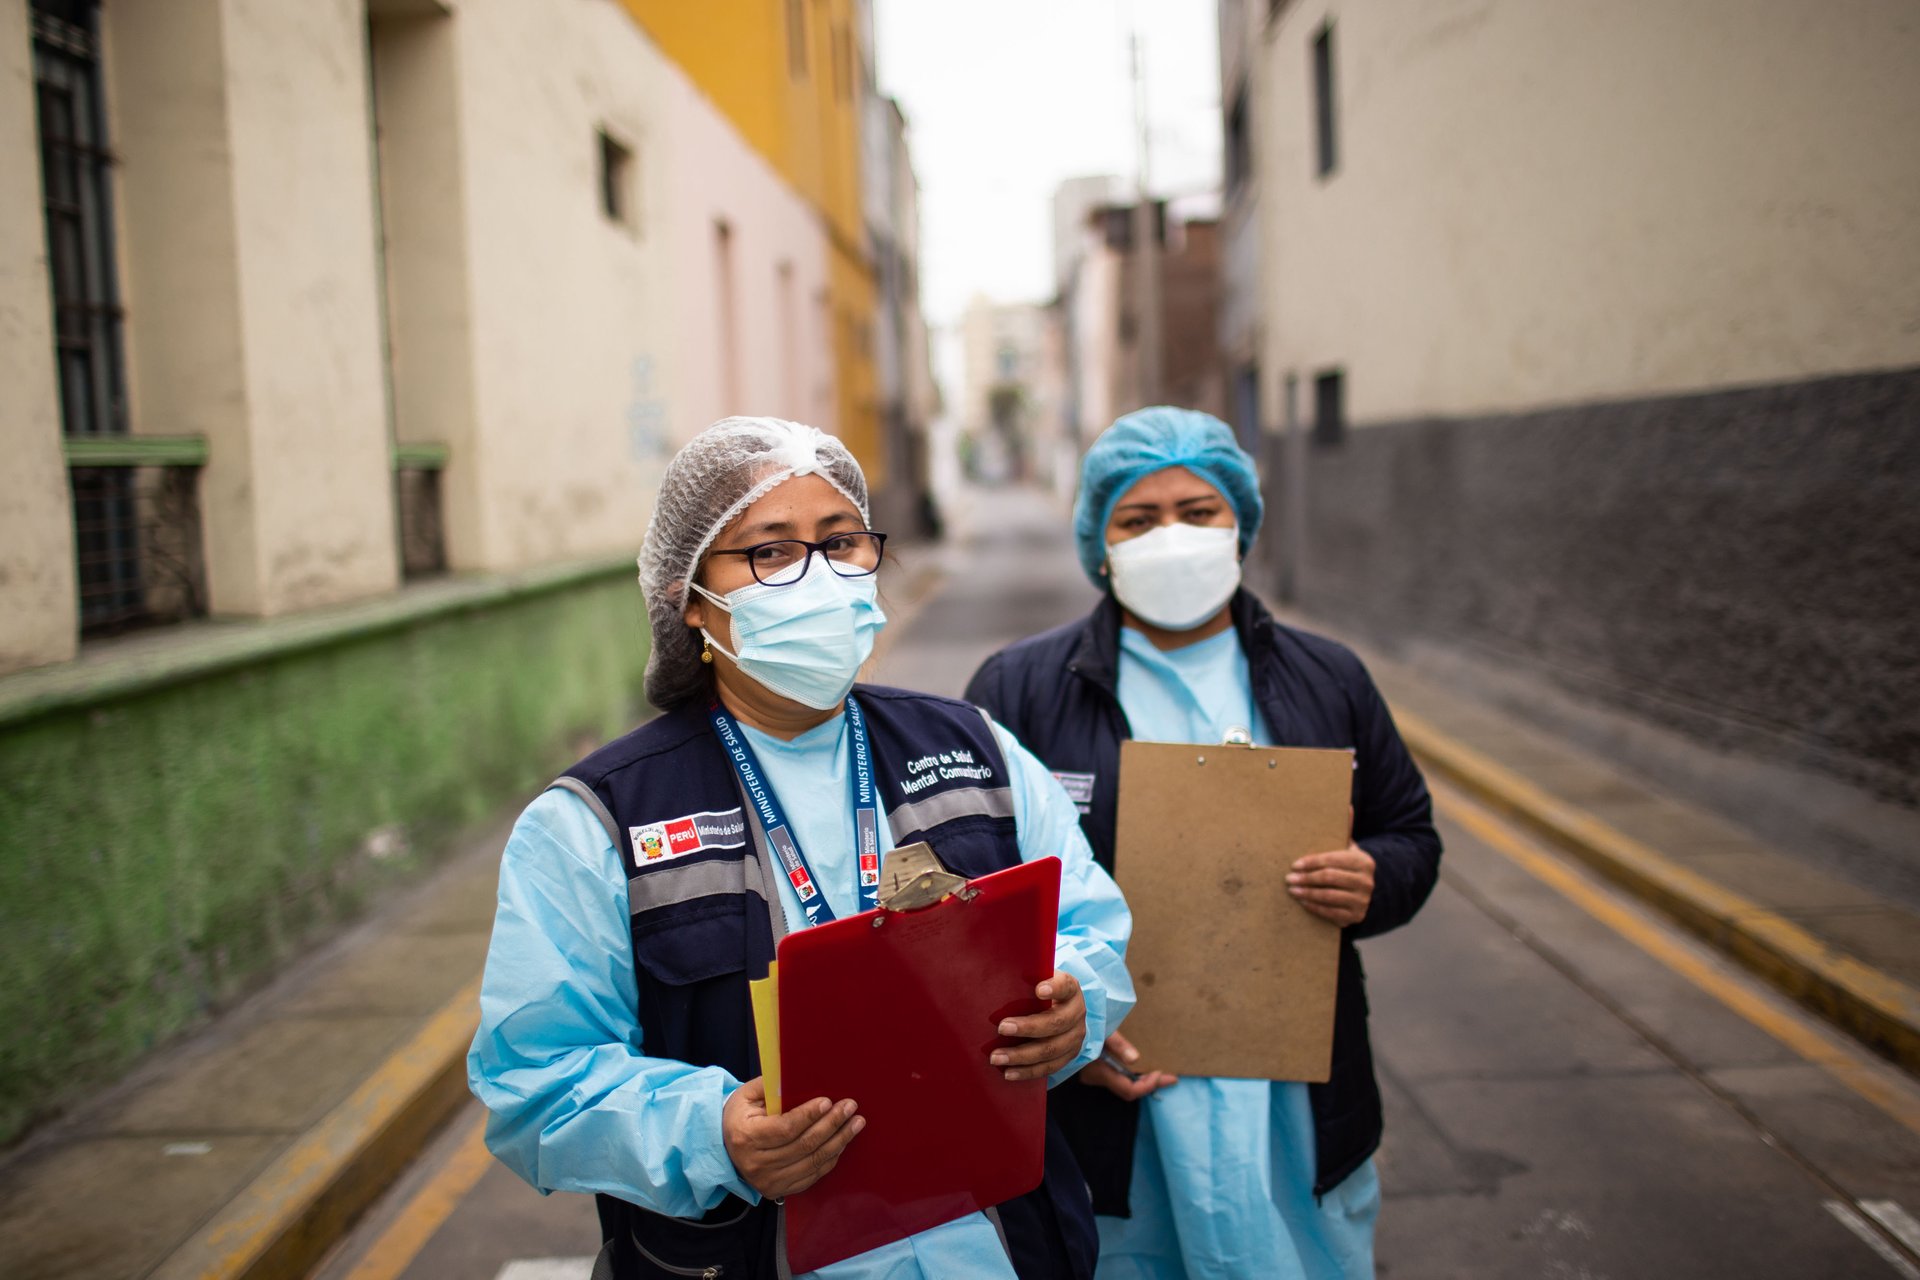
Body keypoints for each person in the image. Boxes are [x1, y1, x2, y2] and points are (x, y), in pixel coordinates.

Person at [468, 417, 1135, 1280]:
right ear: (691, 599)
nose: (816, 575)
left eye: (840, 541)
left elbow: (1091, 926)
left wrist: (1075, 1006)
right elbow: (535, 1081)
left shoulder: (978, 752)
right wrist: (711, 1133)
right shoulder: (597, 823)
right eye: (769, 554)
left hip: (998, 1244)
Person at [964, 407, 1442, 1280]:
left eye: (1198, 512)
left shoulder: (1327, 677)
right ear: (1098, 541)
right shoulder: (1021, 689)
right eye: (1138, 520)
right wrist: (1066, 1043)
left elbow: (1410, 834)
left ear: (1241, 527)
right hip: (1118, 1096)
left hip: (1294, 1095)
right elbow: (977, 896)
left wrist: (1374, 877)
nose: (1172, 537)